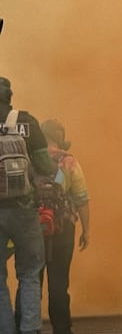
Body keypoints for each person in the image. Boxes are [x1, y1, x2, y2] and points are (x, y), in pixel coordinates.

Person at [0, 77, 57, 334]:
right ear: (10, 97)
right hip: (25, 210)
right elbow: (46, 166)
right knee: (30, 274)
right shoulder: (27, 122)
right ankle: (30, 329)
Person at [35, 119, 89, 334]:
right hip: (63, 228)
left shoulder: (31, 158)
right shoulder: (69, 161)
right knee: (59, 282)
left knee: (31, 281)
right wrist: (86, 230)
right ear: (61, 136)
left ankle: (27, 327)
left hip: (35, 227)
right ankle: (62, 329)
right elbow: (81, 198)